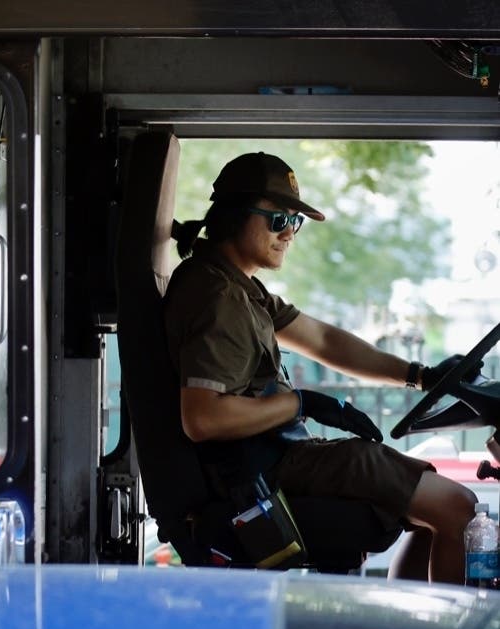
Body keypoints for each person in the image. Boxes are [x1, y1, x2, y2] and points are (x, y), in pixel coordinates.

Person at [165, 151, 478, 584]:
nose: (289, 233)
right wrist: (300, 402)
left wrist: (420, 374)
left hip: (281, 458)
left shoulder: (238, 287)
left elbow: (325, 340)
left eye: (295, 222)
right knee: (458, 508)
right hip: (267, 471)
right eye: (279, 220)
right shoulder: (219, 299)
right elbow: (203, 418)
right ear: (237, 215)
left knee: (430, 512)